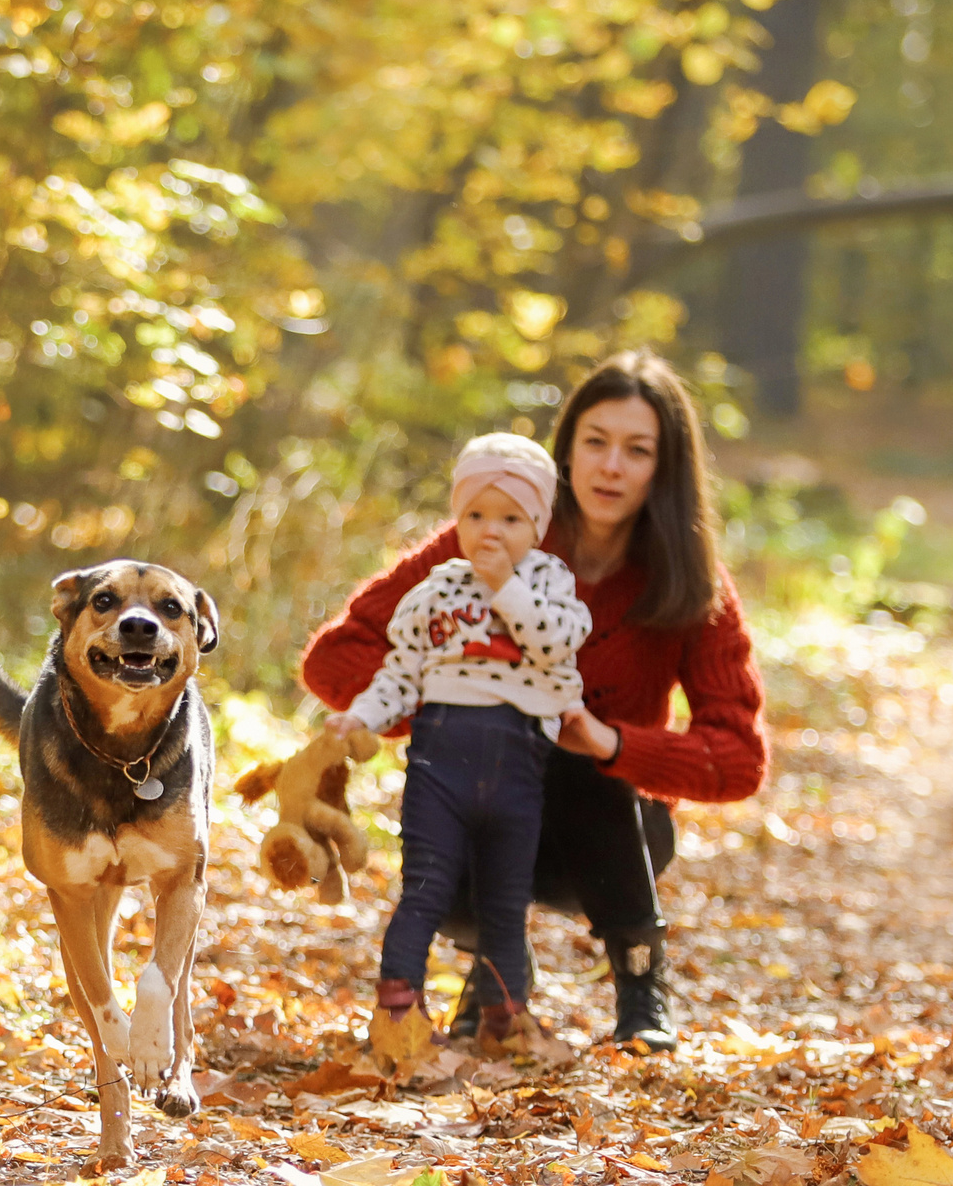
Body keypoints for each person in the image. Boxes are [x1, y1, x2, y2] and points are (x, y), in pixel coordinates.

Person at [302, 351, 767, 1053]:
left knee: (579, 762)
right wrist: (460, 694)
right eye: (596, 442)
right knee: (479, 760)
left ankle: (641, 980)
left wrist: (615, 743)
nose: (611, 466)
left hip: (613, 835)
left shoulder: (692, 581)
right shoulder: (496, 532)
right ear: (567, 450)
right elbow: (336, 658)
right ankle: (491, 979)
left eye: (637, 450)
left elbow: (739, 759)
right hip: (477, 793)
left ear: (663, 468)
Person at [329, 433, 592, 1053]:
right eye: (475, 515)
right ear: (457, 519)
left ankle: (507, 1019)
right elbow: (401, 671)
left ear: (538, 526)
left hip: (517, 759)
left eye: (509, 518)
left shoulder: (549, 583)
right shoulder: (438, 591)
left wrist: (507, 587)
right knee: (424, 885)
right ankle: (398, 1014)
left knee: (506, 896)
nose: (490, 531)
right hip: (441, 757)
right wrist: (362, 716)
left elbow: (556, 646)